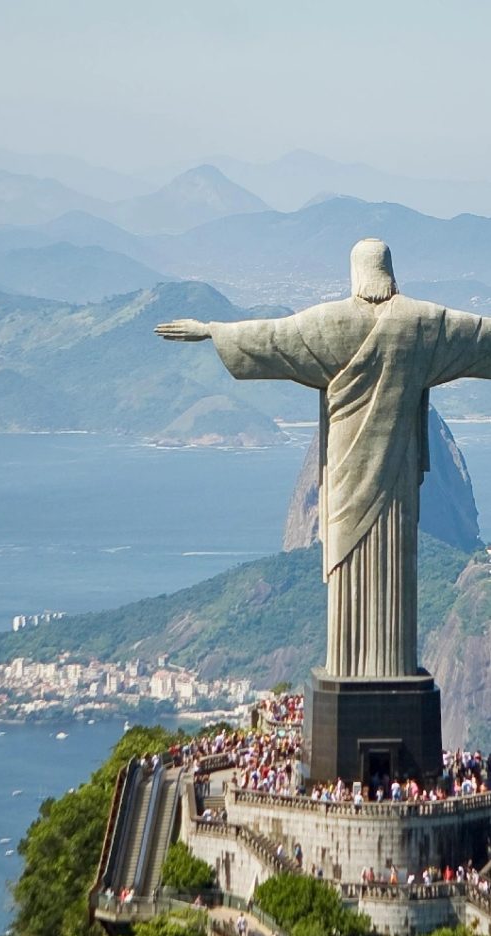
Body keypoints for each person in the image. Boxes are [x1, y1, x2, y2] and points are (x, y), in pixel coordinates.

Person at [156, 238, 491, 679]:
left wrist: (213, 330)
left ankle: (348, 664)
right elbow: (480, 335)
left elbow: (275, 337)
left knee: (348, 569)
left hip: (347, 476)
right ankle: (391, 666)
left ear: (356, 273)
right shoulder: (423, 323)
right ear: (390, 272)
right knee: (395, 566)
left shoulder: (332, 321)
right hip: (398, 476)